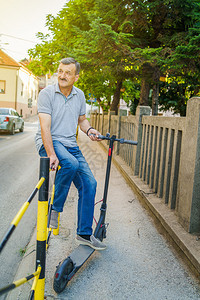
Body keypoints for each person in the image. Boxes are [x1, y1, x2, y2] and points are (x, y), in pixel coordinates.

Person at [35, 57, 106, 251]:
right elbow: (45, 127)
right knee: (71, 164)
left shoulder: (80, 95)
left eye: (68, 72)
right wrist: (51, 154)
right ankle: (55, 209)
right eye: (60, 71)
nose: (62, 75)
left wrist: (90, 130)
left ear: (76, 76)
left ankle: (84, 233)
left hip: (70, 145)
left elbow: (82, 120)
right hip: (49, 141)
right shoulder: (47, 94)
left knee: (90, 183)